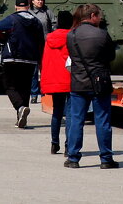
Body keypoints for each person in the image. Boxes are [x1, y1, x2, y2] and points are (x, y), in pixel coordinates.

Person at [64, 4, 117, 169]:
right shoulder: (102, 34)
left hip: (78, 82)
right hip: (100, 83)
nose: (100, 19)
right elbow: (111, 56)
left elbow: (73, 57)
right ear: (93, 15)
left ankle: (73, 158)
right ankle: (106, 159)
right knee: (102, 121)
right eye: (99, 16)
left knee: (76, 121)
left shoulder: (71, 35)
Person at [0, 0, 45, 129]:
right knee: (25, 88)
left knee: (9, 86)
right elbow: (41, 41)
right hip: (30, 59)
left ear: (16, 7)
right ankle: (21, 117)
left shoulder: (12, 19)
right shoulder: (36, 21)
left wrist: (5, 36)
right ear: (28, 6)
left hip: (13, 57)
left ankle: (20, 107)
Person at [41, 10, 74, 155]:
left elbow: (46, 60)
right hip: (70, 79)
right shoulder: (72, 37)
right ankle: (68, 146)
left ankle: (54, 144)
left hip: (54, 80)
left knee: (57, 113)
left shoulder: (49, 39)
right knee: (71, 115)